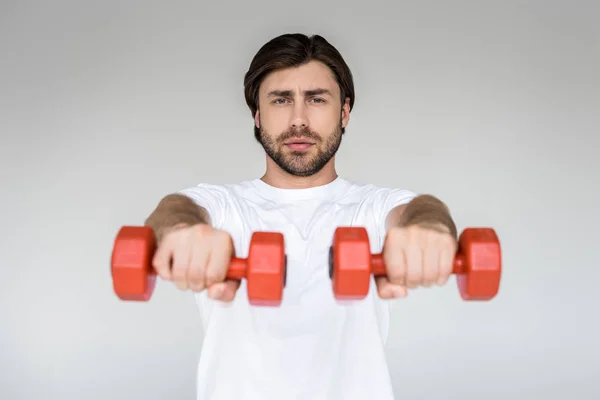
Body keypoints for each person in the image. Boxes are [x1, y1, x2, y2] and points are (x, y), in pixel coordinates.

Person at [144, 33, 458, 400]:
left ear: (344, 112)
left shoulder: (372, 206)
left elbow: (421, 210)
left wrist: (429, 228)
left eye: (316, 99)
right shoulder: (224, 205)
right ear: (257, 116)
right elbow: (174, 210)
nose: (298, 120)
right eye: (281, 100)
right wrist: (182, 229)